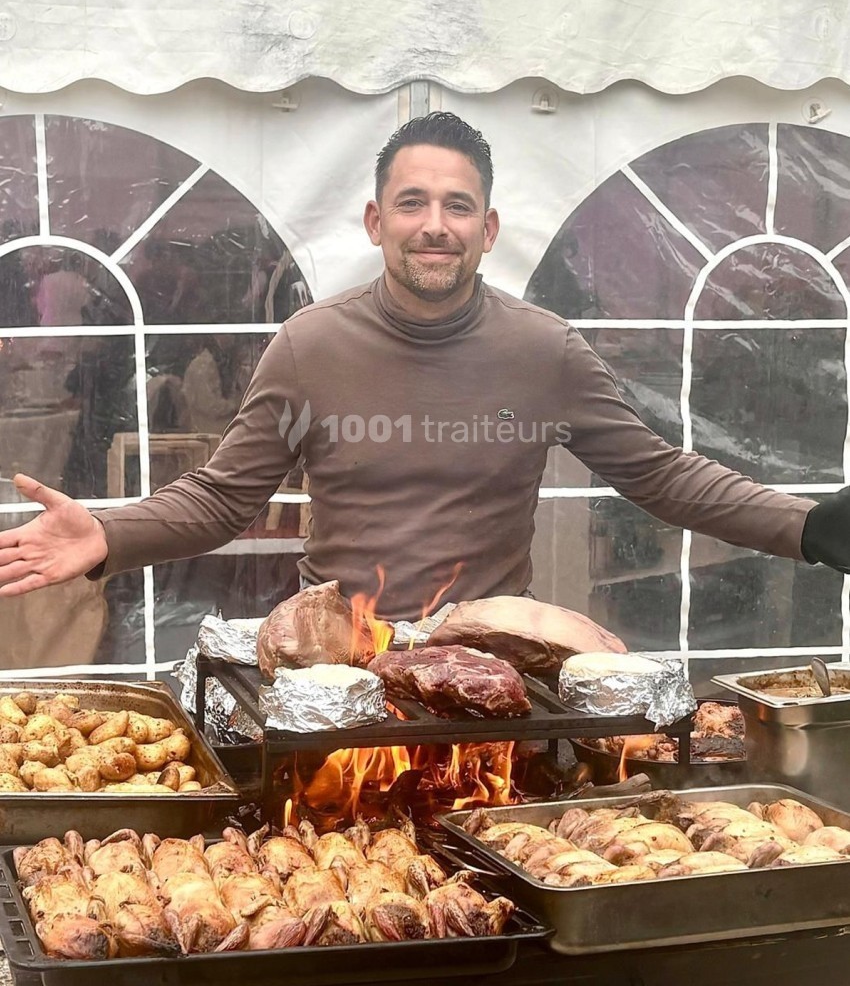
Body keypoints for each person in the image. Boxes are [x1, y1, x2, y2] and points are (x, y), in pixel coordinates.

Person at [1, 112, 849, 621]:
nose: (433, 224)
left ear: (488, 228)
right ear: (376, 222)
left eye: (457, 205)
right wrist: (110, 533)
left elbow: (662, 477)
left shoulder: (544, 351)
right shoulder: (310, 346)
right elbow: (225, 498)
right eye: (412, 202)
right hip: (339, 676)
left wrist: (806, 527)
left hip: (489, 671)